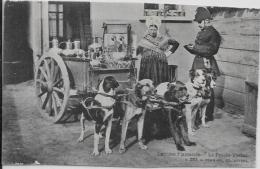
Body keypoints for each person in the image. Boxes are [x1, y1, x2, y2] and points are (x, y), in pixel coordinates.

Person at [184, 7, 222, 121]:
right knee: (197, 85)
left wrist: (195, 47)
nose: (199, 25)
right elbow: (200, 48)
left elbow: (212, 49)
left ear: (206, 20)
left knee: (207, 87)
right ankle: (197, 112)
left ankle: (207, 114)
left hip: (207, 63)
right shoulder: (203, 31)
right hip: (198, 62)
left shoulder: (213, 33)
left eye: (200, 22)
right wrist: (191, 48)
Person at [136, 16, 179, 86]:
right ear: (148, 29)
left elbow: (176, 44)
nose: (152, 31)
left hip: (160, 64)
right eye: (151, 29)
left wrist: (169, 53)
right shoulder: (144, 40)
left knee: (160, 83)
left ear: (157, 29)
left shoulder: (163, 38)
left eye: (154, 29)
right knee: (146, 83)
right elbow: (136, 51)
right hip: (146, 65)